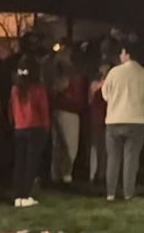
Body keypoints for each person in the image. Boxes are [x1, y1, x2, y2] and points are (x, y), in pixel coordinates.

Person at [102, 43, 144, 202]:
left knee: (113, 158)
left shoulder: (114, 72)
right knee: (131, 158)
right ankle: (128, 192)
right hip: (136, 120)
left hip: (114, 120)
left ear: (126, 54)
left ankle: (110, 193)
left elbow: (105, 94)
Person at [9, 56, 49, 208]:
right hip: (35, 128)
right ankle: (26, 194)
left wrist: (15, 123)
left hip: (19, 128)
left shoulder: (15, 89)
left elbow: (10, 109)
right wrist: (46, 127)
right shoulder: (38, 88)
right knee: (31, 164)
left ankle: (18, 196)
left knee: (20, 162)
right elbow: (43, 109)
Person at [50, 49, 87, 184]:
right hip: (70, 113)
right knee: (70, 146)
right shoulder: (74, 78)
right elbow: (77, 100)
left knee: (58, 145)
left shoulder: (54, 77)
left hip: (57, 111)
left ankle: (56, 174)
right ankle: (66, 174)